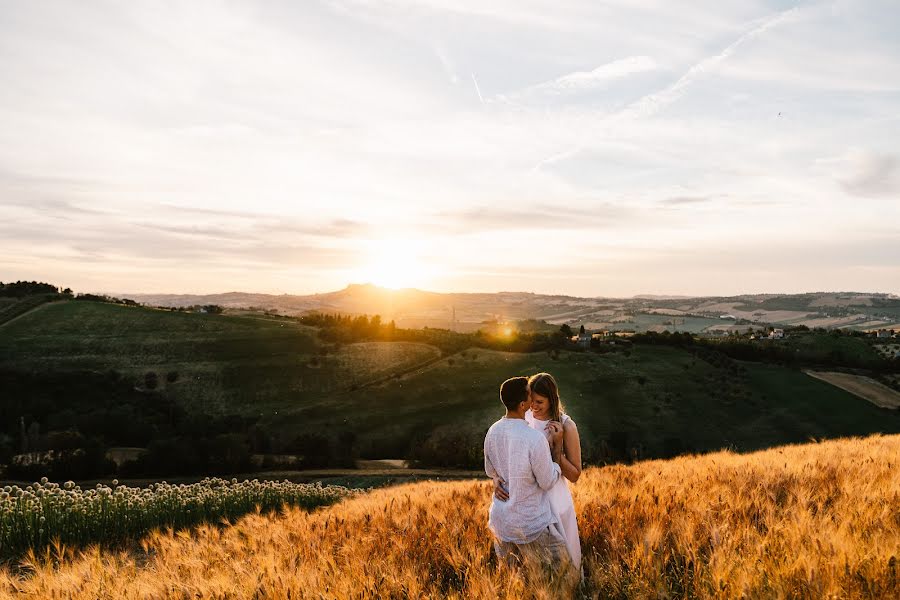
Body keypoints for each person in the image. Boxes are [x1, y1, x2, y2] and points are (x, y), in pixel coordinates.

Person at [493, 372, 582, 571]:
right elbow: (507, 457)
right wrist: (496, 479)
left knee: (563, 565)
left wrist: (557, 449)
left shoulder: (567, 426)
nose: (533, 406)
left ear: (552, 400)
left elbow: (575, 475)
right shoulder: (523, 419)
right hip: (528, 501)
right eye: (531, 400)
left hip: (554, 498)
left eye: (540, 402)